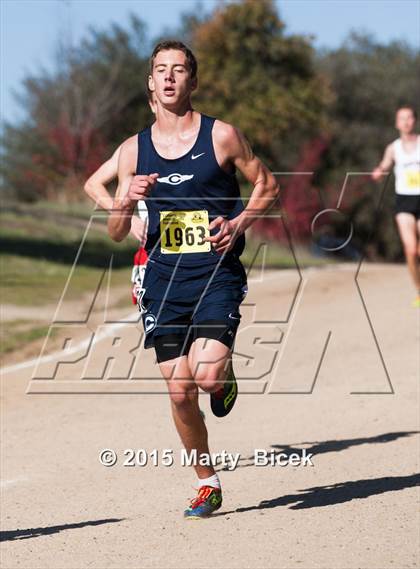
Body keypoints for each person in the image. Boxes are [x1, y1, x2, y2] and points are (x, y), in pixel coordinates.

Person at [108, 40, 280, 519]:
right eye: (160, 70)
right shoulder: (132, 150)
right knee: (180, 392)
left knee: (204, 377)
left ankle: (222, 380)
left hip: (216, 273)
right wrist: (126, 199)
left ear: (193, 81)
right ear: (150, 82)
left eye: (179, 70)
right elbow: (118, 231)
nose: (168, 78)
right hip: (162, 282)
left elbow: (268, 184)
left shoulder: (221, 136)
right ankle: (208, 482)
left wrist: (239, 223)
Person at [83, 93, 157, 307]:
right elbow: (92, 184)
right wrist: (128, 217)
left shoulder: (201, 141)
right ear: (152, 105)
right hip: (152, 252)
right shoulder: (135, 149)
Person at [372, 106, 420, 307]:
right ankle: (419, 290)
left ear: (415, 121)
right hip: (404, 201)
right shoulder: (393, 148)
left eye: (409, 118)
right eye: (402, 118)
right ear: (397, 123)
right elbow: (385, 164)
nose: (406, 122)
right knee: (410, 250)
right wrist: (380, 171)